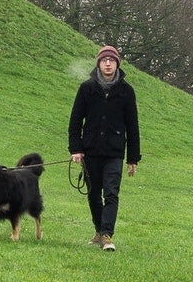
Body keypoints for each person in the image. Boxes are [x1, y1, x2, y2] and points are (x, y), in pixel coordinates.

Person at [68, 45, 141, 252]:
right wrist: (75, 148)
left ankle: (107, 234)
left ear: (117, 64)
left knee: (111, 193)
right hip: (90, 151)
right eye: (104, 60)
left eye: (112, 60)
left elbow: (133, 126)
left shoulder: (126, 91)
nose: (108, 63)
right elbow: (75, 122)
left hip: (114, 152)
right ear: (98, 63)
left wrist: (133, 158)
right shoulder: (86, 88)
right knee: (93, 194)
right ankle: (99, 231)